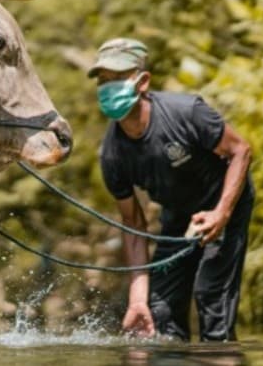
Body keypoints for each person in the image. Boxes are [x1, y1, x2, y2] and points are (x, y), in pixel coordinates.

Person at [89, 38, 253, 341]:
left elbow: (240, 151)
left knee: (210, 298)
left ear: (142, 82)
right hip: (176, 217)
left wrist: (222, 213)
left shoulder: (187, 112)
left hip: (221, 206)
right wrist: (137, 298)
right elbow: (134, 225)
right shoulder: (112, 155)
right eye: (102, 80)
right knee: (158, 314)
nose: (108, 87)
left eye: (117, 78)